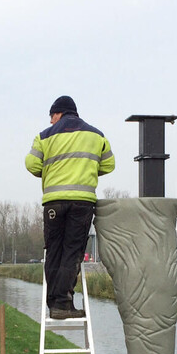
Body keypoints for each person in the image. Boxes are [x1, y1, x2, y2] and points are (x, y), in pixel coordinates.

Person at [25, 95, 115, 319]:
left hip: (53, 201)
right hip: (82, 202)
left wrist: (50, 170)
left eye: (51, 117)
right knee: (73, 251)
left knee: (54, 250)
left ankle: (54, 304)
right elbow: (109, 164)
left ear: (58, 113)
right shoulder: (96, 135)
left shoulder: (44, 136)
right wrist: (86, 169)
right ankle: (64, 303)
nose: (51, 122)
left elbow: (31, 164)